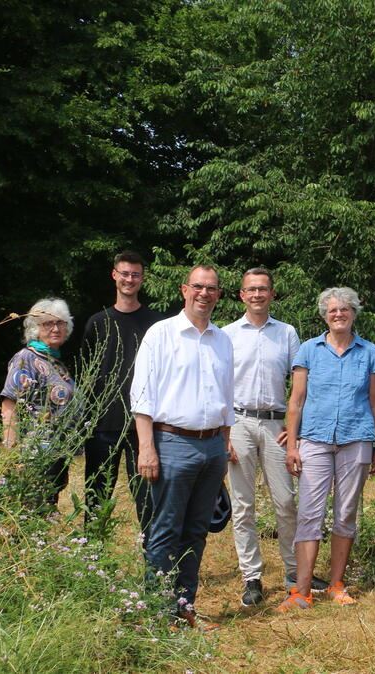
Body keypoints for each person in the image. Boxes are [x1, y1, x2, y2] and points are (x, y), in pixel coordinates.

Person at [131, 265, 234, 629]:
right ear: (183, 290)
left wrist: (224, 445)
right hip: (171, 441)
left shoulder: (223, 340)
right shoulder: (161, 334)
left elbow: (226, 397)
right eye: (197, 287)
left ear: (219, 294)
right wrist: (147, 448)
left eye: (211, 288)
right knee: (165, 530)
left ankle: (184, 606)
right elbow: (141, 394)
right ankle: (158, 612)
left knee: (196, 531)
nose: (204, 293)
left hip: (212, 448)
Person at [279, 287, 375, 612]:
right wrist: (292, 445)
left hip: (357, 439)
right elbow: (296, 401)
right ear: (324, 315)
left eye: (345, 309)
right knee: (309, 513)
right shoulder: (309, 350)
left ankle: (337, 584)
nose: (339, 314)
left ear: (354, 313)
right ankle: (302, 590)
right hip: (314, 439)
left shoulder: (369, 352)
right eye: (332, 310)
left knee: (346, 513)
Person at [222, 267, 321, 608]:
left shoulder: (287, 333)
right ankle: (252, 577)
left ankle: (296, 574)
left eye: (263, 288)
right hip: (239, 422)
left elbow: (298, 385)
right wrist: (225, 433)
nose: (257, 294)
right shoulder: (227, 334)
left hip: (277, 426)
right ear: (241, 295)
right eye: (251, 289)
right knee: (243, 504)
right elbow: (219, 385)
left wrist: (294, 431)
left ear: (272, 294)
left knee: (286, 501)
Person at [81, 250, 161, 535]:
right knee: (96, 502)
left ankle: (155, 571)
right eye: (124, 273)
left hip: (144, 428)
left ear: (142, 279)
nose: (129, 279)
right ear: (114, 275)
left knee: (150, 504)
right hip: (103, 427)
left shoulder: (157, 324)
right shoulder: (97, 323)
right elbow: (87, 377)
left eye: (135, 274)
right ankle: (91, 563)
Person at [1, 298, 77, 508]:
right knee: (28, 510)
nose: (55, 328)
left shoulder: (53, 361)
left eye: (60, 323)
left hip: (54, 455)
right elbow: (10, 405)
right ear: (35, 329)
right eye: (47, 324)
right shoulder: (26, 358)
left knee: (44, 509)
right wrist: (12, 454)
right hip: (32, 455)